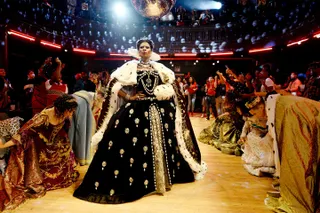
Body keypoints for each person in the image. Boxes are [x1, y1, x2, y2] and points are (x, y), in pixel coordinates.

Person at [73, 38, 207, 204]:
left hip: (159, 109)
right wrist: (129, 96)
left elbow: (172, 85)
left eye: (147, 47)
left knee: (164, 143)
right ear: (138, 50)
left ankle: (161, 179)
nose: (144, 49)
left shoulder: (159, 67)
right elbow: (114, 85)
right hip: (137, 109)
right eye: (142, 47)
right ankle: (140, 180)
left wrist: (162, 92)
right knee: (134, 144)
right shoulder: (130, 67)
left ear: (151, 49)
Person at [0, 94, 79, 211]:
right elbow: (24, 133)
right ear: (63, 109)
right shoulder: (43, 117)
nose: (71, 114)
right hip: (40, 145)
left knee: (65, 152)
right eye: (70, 111)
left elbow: (61, 130)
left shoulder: (63, 114)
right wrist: (3, 146)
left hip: (54, 142)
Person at [253, 94, 320, 213]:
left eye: (254, 113)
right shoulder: (283, 106)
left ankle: (298, 201)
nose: (255, 118)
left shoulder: (290, 111)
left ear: (261, 107)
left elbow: (297, 159)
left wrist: (294, 196)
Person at [198, 91, 244, 156]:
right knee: (217, 124)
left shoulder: (235, 104)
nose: (225, 97)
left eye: (226, 96)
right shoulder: (225, 103)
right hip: (224, 120)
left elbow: (240, 114)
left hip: (232, 121)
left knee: (225, 127)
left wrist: (230, 114)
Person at [238, 97, 275, 177]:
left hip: (268, 138)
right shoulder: (253, 118)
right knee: (258, 150)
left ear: (261, 108)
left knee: (268, 150)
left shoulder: (269, 114)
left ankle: (267, 160)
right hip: (255, 137)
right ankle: (261, 158)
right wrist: (243, 134)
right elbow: (246, 125)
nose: (253, 115)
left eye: (254, 113)